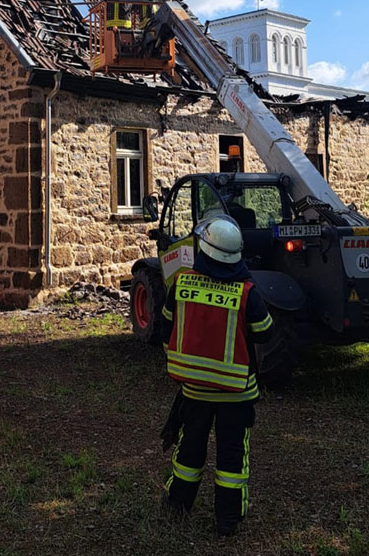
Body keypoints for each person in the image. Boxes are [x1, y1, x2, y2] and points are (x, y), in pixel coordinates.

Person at [158, 216, 273, 537]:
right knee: (233, 454)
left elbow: (166, 326)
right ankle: (228, 518)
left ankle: (178, 502)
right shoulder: (246, 292)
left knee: (189, 448)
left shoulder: (182, 284)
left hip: (193, 390)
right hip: (236, 393)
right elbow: (265, 333)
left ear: (204, 252)